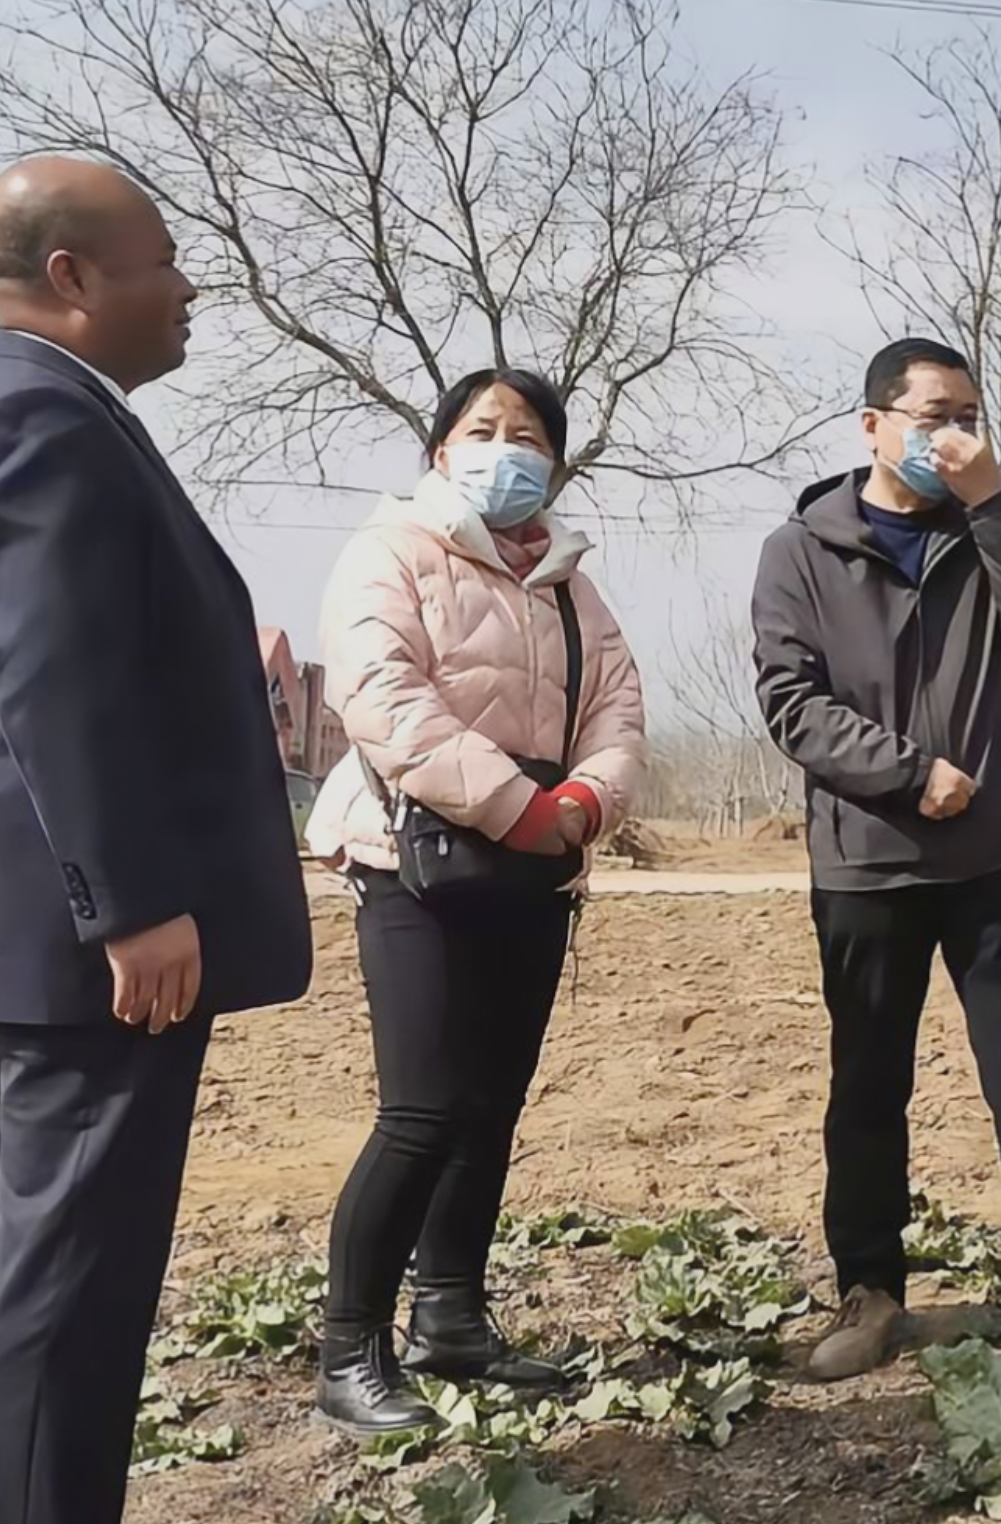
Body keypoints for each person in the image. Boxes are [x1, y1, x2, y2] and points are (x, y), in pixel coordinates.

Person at [0, 158, 313, 1524]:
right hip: (99, 947)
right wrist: (132, 902)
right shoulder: (38, 419)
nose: (188, 285)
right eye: (165, 259)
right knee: (66, 1287)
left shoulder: (1, 407)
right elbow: (58, 677)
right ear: (73, 277)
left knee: (25, 1260)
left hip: (65, 933)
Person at [753, 337, 1001, 1380]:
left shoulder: (983, 530)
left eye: (968, 416)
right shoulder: (802, 550)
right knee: (868, 1087)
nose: (953, 435)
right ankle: (870, 1291)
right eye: (933, 416)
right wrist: (905, 772)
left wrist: (995, 501)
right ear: (873, 424)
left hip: (994, 857)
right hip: (867, 861)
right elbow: (790, 703)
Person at [301, 368, 648, 1435]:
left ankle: (450, 1317)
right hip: (416, 861)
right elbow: (382, 697)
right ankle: (349, 1350)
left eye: (529, 435)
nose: (507, 449)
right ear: (441, 449)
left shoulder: (570, 583)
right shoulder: (391, 553)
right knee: (421, 1111)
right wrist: (513, 805)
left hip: (537, 866)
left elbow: (617, 707)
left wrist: (584, 803)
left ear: (557, 461)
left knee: (491, 1105)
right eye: (483, 429)